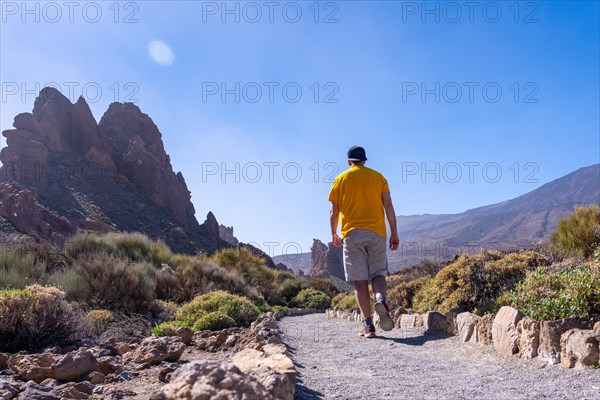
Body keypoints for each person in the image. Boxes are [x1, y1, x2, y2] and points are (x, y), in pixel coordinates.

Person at [328, 146, 399, 338]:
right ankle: (381, 298)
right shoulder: (378, 178)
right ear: (365, 161)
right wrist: (394, 232)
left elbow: (334, 211)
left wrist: (334, 233)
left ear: (349, 161)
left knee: (360, 281)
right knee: (378, 274)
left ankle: (368, 326)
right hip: (377, 232)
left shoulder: (340, 180)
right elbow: (389, 205)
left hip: (351, 235)